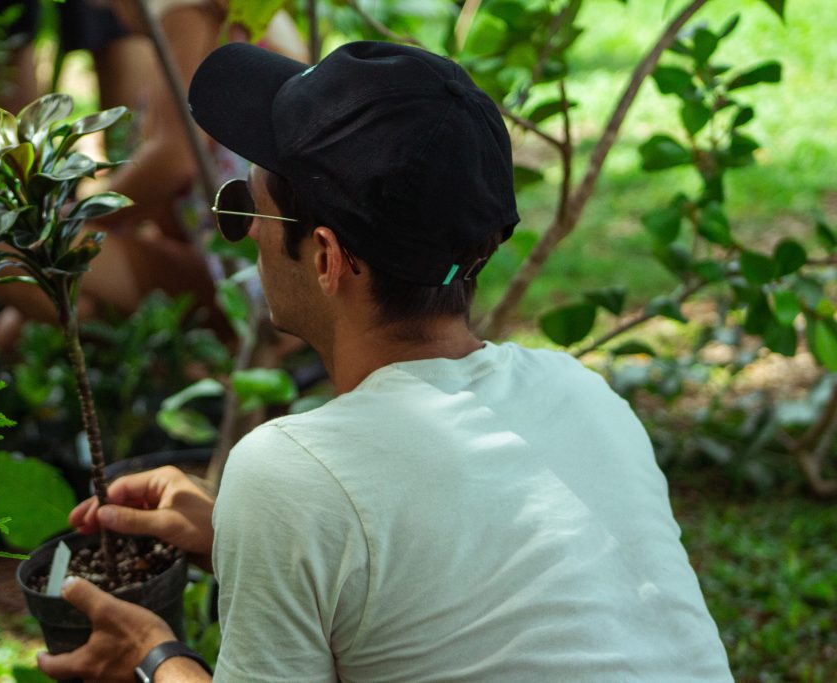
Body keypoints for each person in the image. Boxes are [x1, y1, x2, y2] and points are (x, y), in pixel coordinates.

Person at [36, 41, 734, 682]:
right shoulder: (584, 397)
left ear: (328, 259)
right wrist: (237, 534)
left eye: (249, 207)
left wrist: (154, 655)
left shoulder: (289, 471)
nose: (245, 232)